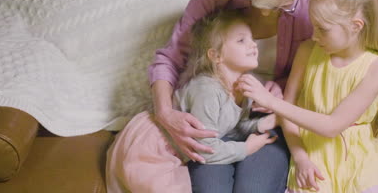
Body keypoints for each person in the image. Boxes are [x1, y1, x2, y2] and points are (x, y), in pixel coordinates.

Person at [148, 0, 325, 191]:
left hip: (266, 118)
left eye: (278, 5)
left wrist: (281, 91)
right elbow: (170, 58)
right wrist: (165, 112)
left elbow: (318, 72)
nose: (264, 12)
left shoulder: (309, 7)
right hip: (213, 113)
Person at [237, 0, 378, 192]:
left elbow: (332, 126)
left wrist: (270, 101)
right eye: (314, 26)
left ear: (356, 26)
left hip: (355, 159)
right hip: (310, 152)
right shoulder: (307, 51)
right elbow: (289, 115)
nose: (314, 36)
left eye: (323, 29)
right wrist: (301, 158)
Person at [106, 10, 278, 193]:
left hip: (179, 151)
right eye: (241, 40)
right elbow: (205, 148)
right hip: (153, 146)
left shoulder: (245, 88)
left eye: (252, 39)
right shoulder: (207, 90)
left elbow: (225, 129)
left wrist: (259, 125)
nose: (253, 45)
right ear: (216, 55)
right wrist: (246, 149)